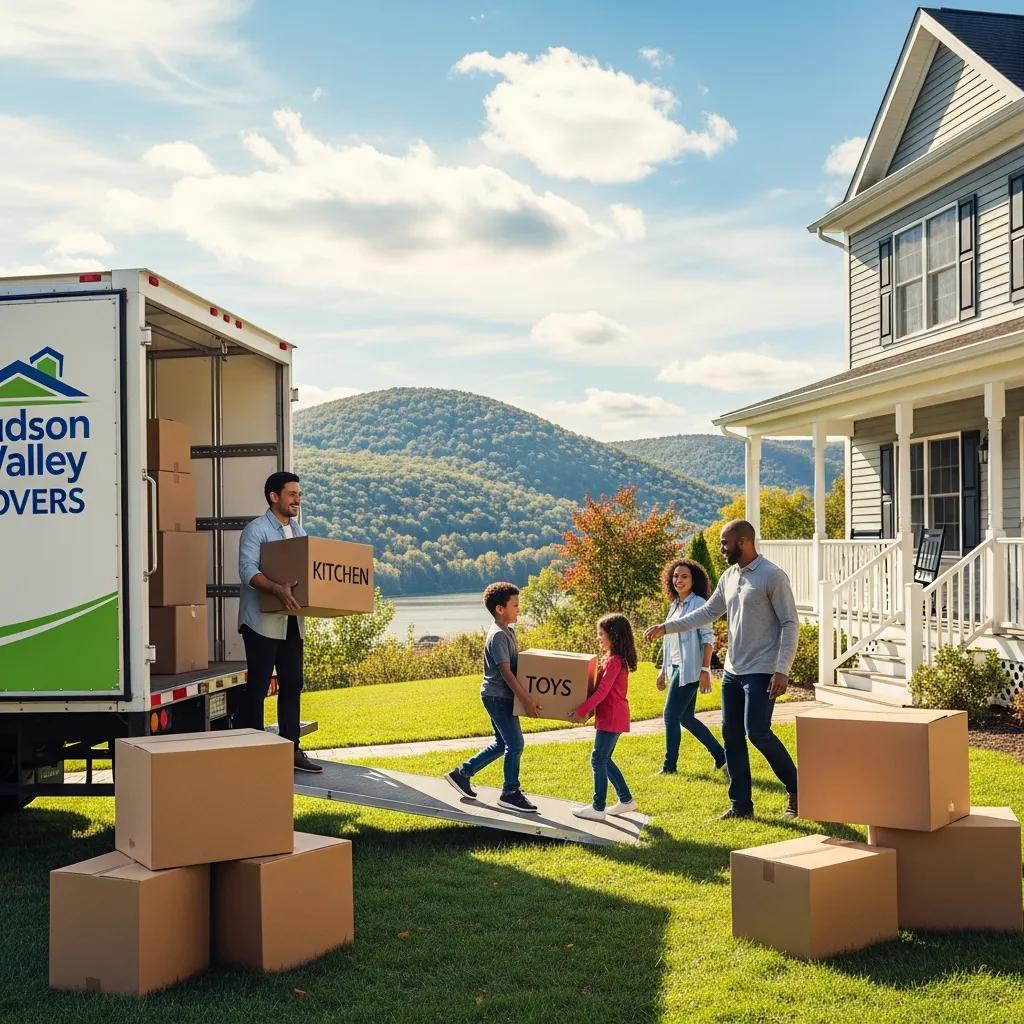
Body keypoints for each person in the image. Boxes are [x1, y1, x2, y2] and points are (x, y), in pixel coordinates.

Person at [644, 520, 799, 820]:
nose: (721, 548)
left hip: (762, 669)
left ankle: (798, 788)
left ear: (743, 542)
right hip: (732, 670)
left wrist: (782, 669)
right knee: (731, 734)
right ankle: (741, 805)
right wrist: (667, 627)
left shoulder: (772, 576)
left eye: (724, 543)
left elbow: (790, 623)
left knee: (757, 732)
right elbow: (706, 612)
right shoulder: (729, 576)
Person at [237, 471, 322, 774]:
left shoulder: (298, 531)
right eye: (292, 494)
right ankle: (253, 750)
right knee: (258, 686)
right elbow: (246, 571)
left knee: (292, 684)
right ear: (274, 497)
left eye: (299, 494)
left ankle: (291, 749)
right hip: (260, 622)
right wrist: (275, 588)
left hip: (291, 622)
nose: (298, 499)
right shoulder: (256, 530)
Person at [445, 582, 542, 813]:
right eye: (515, 605)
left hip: (499, 696)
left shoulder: (508, 631)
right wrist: (527, 701)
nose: (519, 609)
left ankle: (462, 774)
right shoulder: (498, 635)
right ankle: (510, 793)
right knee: (515, 743)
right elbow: (506, 672)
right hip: (497, 696)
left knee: (502, 743)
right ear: (500, 609)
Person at [657, 558, 726, 776]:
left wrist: (704, 670)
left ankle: (669, 766)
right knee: (685, 718)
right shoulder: (674, 605)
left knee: (670, 715)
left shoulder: (699, 604)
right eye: (676, 576)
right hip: (676, 667)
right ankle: (721, 756)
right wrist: (663, 670)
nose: (679, 580)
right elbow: (670, 641)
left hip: (691, 668)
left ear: (693, 580)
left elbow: (707, 639)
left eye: (684, 576)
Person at [568, 613, 638, 822]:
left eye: (601, 634)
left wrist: (582, 710)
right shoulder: (612, 659)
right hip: (612, 717)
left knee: (597, 759)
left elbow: (602, 692)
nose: (598, 638)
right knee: (604, 759)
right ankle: (626, 800)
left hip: (612, 717)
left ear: (614, 637)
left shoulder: (615, 661)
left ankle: (598, 808)